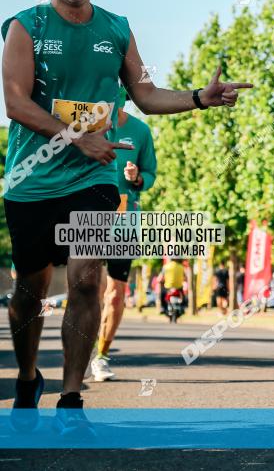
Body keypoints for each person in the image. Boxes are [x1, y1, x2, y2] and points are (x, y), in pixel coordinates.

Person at [2, 0, 251, 434]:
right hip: (31, 179)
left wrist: (199, 98)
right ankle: (28, 376)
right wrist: (76, 136)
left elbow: (146, 94)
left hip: (93, 176)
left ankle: (72, 395)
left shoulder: (116, 29)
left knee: (87, 279)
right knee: (28, 289)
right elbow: (15, 102)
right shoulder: (24, 27)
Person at [91, 90, 157, 382]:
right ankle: (83, 348)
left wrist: (137, 178)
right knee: (90, 289)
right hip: (88, 216)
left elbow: (151, 173)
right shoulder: (81, 124)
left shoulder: (140, 130)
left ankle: (101, 355)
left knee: (115, 292)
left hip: (125, 220)